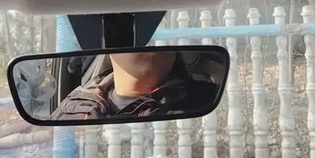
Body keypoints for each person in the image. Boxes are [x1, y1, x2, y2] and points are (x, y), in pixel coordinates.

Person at [49, 51, 219, 121]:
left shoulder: (205, 99)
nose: (149, 45)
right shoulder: (73, 108)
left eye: (157, 39)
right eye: (136, 40)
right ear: (109, 52)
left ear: (175, 54)